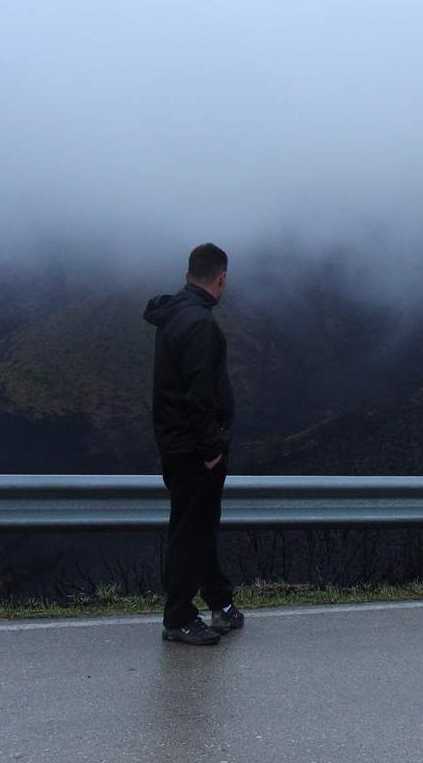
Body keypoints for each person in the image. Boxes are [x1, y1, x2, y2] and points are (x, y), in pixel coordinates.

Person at [143, 242, 244, 645]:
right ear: (221, 279)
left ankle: (220, 602)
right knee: (190, 532)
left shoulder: (175, 315)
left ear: (188, 275)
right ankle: (179, 618)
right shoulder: (202, 325)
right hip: (192, 448)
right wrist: (211, 449)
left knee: (198, 526)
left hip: (174, 441)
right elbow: (200, 395)